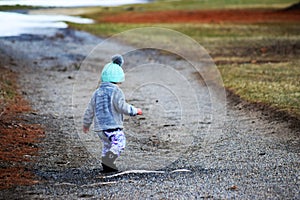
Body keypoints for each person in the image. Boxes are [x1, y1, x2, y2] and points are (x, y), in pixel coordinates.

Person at [82, 54, 142, 173]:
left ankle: (107, 165)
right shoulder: (116, 91)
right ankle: (109, 160)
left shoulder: (97, 92)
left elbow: (90, 110)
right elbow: (122, 106)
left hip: (100, 129)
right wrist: (135, 111)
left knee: (107, 145)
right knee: (120, 142)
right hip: (112, 126)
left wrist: (86, 124)